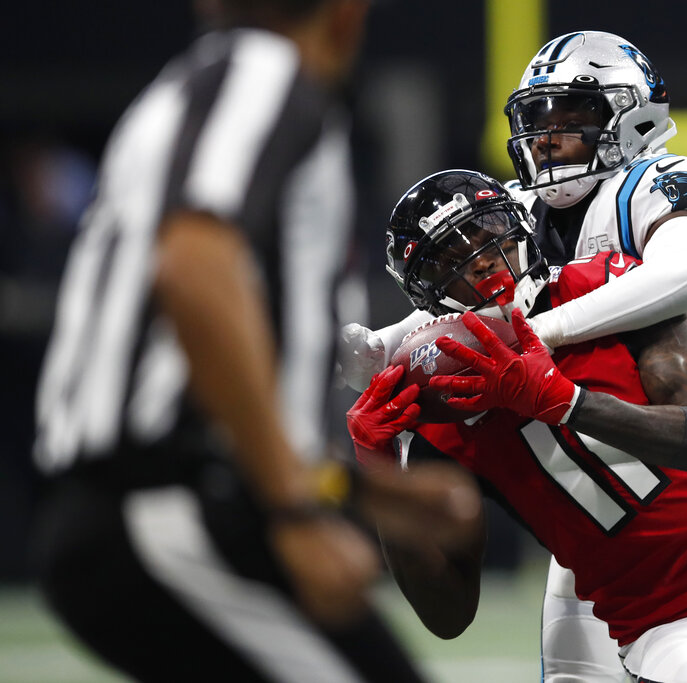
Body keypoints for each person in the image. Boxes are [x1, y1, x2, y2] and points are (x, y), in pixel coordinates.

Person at [338, 30, 687, 682]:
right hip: (594, 533)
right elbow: (456, 299)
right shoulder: (523, 215)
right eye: (538, 122)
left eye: (571, 119)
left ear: (635, 117)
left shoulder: (655, 186)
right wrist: (386, 347)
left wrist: (538, 336)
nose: (547, 139)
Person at [30, 2, 480, 681]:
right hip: (167, 507)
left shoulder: (201, 87)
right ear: (347, 15)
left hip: (158, 502)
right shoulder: (262, 75)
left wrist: (351, 492)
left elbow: (197, 362)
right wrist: (294, 509)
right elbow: (195, 267)